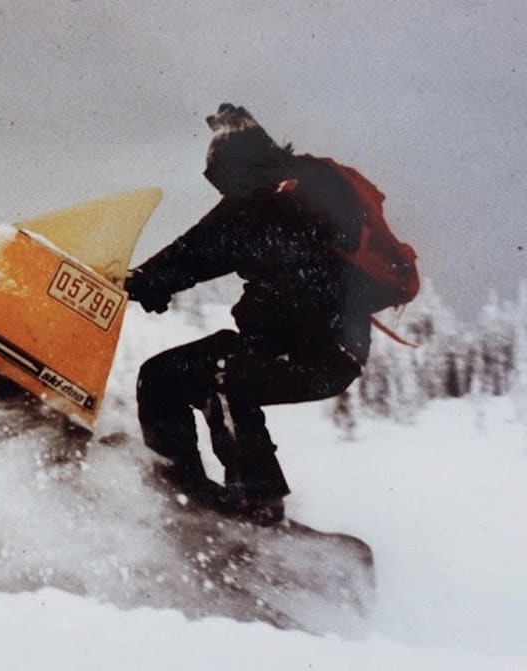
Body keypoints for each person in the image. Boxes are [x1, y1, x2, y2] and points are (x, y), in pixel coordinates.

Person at [125, 103, 409, 526]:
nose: (222, 189)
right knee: (162, 375)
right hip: (275, 345)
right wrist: (145, 280)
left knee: (224, 378)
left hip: (323, 350)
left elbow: (199, 249)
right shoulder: (273, 196)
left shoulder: (276, 197)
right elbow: (200, 250)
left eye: (221, 173)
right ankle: (181, 493)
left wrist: (146, 280)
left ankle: (260, 506)